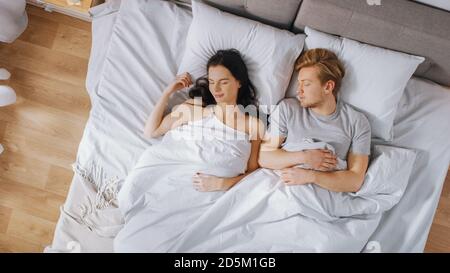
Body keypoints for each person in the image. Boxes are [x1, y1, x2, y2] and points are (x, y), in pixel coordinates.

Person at [259, 48, 371, 193]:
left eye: (306, 84)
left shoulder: (357, 122)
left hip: (324, 195)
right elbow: (264, 157)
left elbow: (355, 181)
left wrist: (311, 176)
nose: (299, 90)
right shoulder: (287, 109)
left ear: (328, 86)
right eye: (299, 83)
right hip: (284, 190)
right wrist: (305, 157)